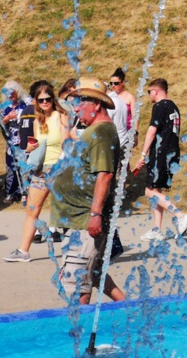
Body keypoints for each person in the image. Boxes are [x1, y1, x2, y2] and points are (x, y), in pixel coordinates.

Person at [52, 77, 124, 304]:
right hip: (78, 218)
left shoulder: (101, 133)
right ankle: (128, 310)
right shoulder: (93, 130)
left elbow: (105, 175)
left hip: (85, 220)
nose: (76, 108)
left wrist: (95, 215)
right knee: (94, 273)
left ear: (97, 105)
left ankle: (78, 334)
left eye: (81, 102)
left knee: (76, 283)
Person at [3, 81, 70, 262]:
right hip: (41, 170)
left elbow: (66, 143)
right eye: (41, 100)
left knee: (68, 209)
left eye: (48, 99)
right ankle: (23, 251)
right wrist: (30, 148)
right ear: (36, 101)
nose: (45, 103)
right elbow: (32, 145)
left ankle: (83, 249)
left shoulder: (61, 116)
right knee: (32, 209)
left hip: (58, 168)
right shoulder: (37, 120)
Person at [133, 78, 187, 241]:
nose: (149, 95)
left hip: (161, 152)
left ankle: (181, 216)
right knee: (156, 191)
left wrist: (143, 154)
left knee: (149, 191)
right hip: (171, 152)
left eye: (149, 91)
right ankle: (157, 229)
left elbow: (152, 131)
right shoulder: (173, 106)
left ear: (156, 91)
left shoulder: (159, 106)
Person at [0, 80, 27, 204]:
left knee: (23, 167)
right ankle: (10, 192)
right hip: (10, 140)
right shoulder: (4, 107)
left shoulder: (24, 105)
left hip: (23, 139)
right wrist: (7, 118)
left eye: (13, 92)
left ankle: (24, 192)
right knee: (11, 166)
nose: (11, 95)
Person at [108, 68, 136, 142]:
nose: (113, 85)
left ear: (123, 82)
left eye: (116, 83)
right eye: (111, 83)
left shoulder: (130, 97)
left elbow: (135, 116)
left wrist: (135, 133)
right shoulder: (109, 96)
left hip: (126, 132)